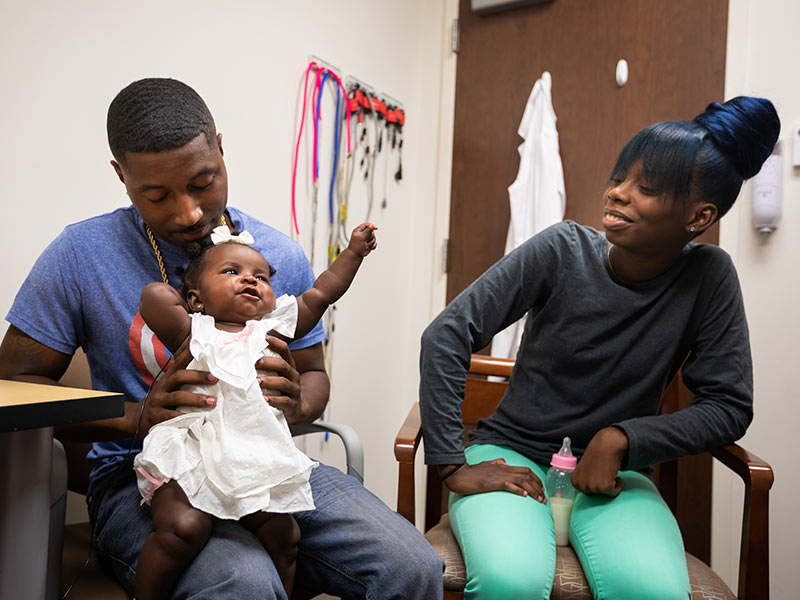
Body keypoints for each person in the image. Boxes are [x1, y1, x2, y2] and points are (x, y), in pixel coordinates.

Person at [0, 77, 443, 599]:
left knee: (411, 564)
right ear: (122, 177)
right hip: (146, 474)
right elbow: (13, 384)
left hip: (264, 460)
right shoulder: (80, 254)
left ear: (221, 150)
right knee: (244, 583)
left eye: (203, 182)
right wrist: (134, 417)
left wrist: (301, 400)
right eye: (157, 195)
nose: (187, 212)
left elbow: (316, 374)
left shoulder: (274, 258)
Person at [419, 96, 780, 599]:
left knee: (653, 591)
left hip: (614, 475)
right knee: (510, 580)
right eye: (619, 178)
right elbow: (446, 335)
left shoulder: (709, 277)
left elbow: (729, 407)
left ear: (699, 217)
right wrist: (452, 465)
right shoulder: (562, 249)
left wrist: (622, 439)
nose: (617, 194)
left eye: (647, 189)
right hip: (513, 453)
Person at [134, 222, 377, 600]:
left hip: (253, 457)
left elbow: (320, 294)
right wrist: (191, 300)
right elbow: (153, 297)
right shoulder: (193, 331)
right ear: (196, 300)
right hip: (194, 452)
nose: (250, 280)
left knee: (286, 537)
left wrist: (353, 254)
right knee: (183, 528)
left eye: (260, 277)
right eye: (232, 272)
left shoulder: (273, 329)